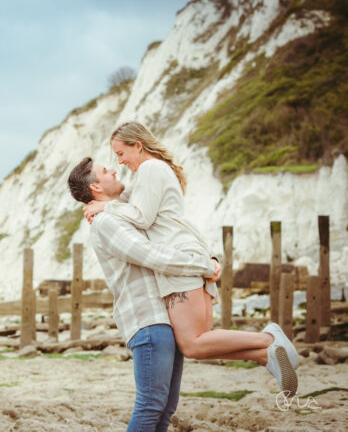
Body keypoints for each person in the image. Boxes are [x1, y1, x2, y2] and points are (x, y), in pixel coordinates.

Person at [80, 122, 299, 397]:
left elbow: (142, 217)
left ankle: (268, 339)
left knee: (194, 344)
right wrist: (101, 201)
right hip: (186, 255)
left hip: (178, 260)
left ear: (138, 145)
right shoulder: (152, 173)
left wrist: (105, 205)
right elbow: (128, 200)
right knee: (198, 343)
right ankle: (266, 355)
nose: (119, 162)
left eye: (121, 153)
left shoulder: (150, 168)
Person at [68, 157, 220, 431]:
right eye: (105, 171)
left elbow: (157, 216)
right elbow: (151, 255)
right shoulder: (106, 223)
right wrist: (204, 265)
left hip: (165, 321)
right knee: (151, 405)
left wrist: (208, 257)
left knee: (165, 410)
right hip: (149, 322)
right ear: (95, 188)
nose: (114, 169)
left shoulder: (123, 212)